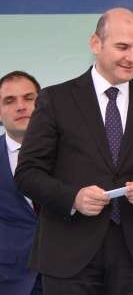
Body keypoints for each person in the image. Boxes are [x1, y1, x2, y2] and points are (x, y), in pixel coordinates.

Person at [14, 8, 133, 295]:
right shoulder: (56, 100)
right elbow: (27, 173)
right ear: (96, 43)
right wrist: (73, 198)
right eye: (122, 47)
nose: (132, 57)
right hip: (68, 254)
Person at [0, 71, 42, 295]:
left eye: (28, 98)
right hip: (9, 279)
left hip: (70, 276)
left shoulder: (75, 153)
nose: (20, 106)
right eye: (9, 101)